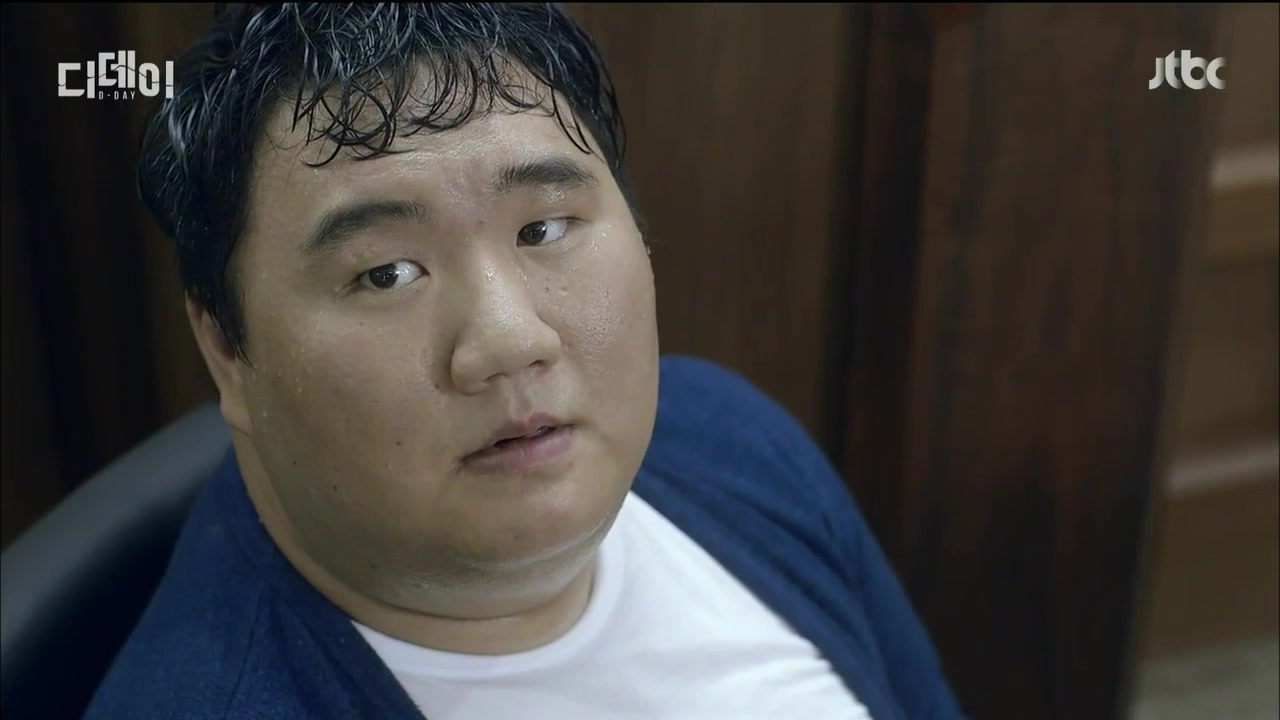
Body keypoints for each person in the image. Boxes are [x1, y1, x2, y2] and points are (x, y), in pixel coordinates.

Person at [84, 4, 967, 719]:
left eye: (543, 229)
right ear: (225, 348)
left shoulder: (724, 438)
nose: (510, 340)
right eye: (387, 273)